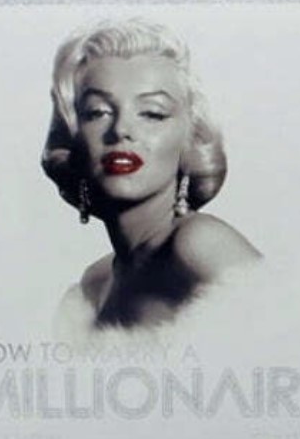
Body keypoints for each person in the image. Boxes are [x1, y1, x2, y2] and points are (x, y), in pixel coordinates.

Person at [41, 20, 261, 334]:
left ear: (191, 138)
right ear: (73, 136)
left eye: (152, 113)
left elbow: (296, 342)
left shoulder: (200, 243)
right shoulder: (92, 287)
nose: (121, 130)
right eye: (98, 112)